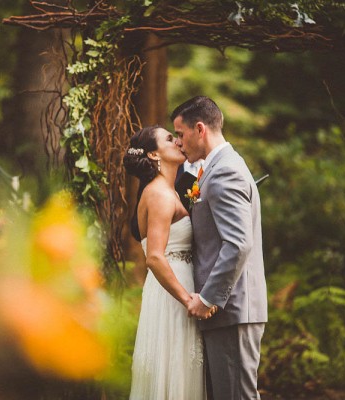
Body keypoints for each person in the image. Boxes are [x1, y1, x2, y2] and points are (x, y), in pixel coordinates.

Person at [172, 96, 268, 400]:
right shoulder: (216, 167)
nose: (177, 142)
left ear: (200, 129)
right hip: (228, 314)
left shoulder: (224, 171)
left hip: (232, 310)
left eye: (180, 133)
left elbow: (238, 243)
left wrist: (210, 296)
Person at [123, 125, 213, 399]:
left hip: (172, 288)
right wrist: (187, 299)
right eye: (169, 138)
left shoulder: (168, 190)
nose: (177, 141)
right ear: (153, 154)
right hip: (172, 295)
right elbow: (154, 257)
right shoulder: (160, 195)